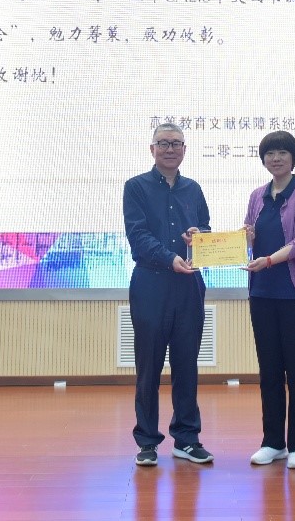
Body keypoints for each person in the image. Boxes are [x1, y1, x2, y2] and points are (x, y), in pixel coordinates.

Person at [123, 123, 213, 467]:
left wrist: (198, 237)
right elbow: (138, 236)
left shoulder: (193, 189)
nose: (170, 149)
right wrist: (169, 257)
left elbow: (205, 228)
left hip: (189, 286)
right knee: (148, 366)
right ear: (152, 149)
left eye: (176, 143)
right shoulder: (136, 187)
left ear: (185, 149)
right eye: (163, 143)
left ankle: (186, 439)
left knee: (187, 364)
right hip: (151, 284)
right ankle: (147, 441)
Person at [241, 130, 295, 469]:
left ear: (293, 157)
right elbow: (249, 238)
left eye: (282, 153)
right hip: (261, 292)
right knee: (269, 369)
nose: (275, 158)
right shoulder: (257, 195)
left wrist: (270, 259)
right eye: (270, 153)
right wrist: (247, 238)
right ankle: (273, 442)